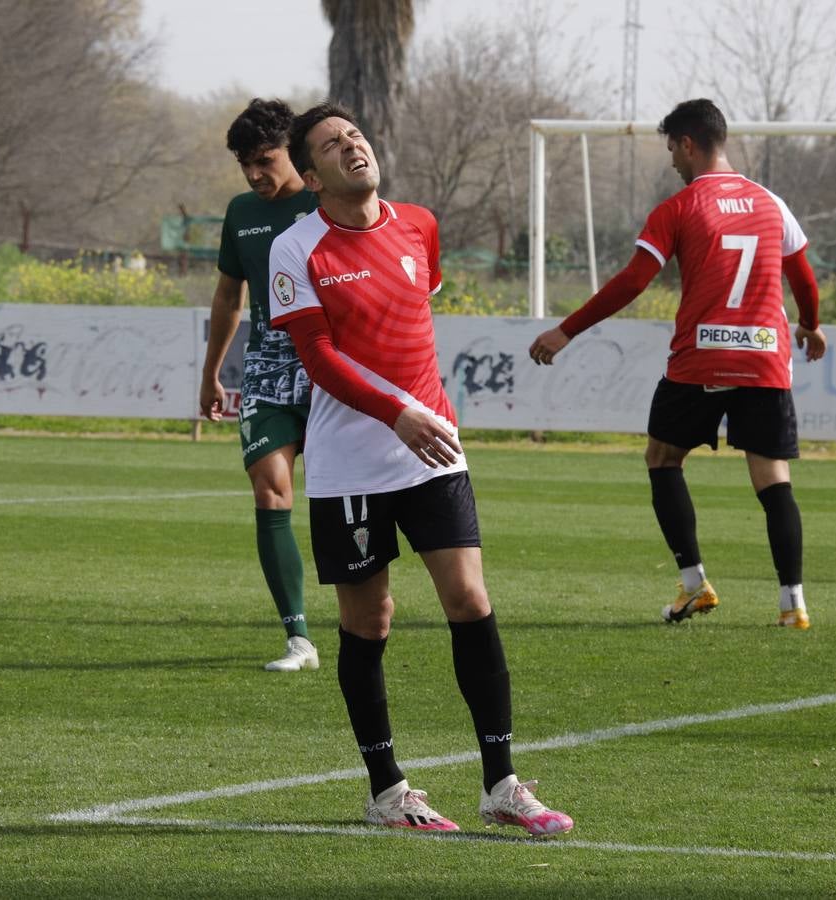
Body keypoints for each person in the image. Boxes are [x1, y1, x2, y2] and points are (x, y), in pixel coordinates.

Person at [268, 101, 574, 835]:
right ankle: (386, 791)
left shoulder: (419, 224)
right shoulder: (296, 248)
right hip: (349, 465)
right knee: (369, 620)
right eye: (332, 146)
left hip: (433, 449)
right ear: (311, 176)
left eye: (355, 136)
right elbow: (321, 359)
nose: (352, 148)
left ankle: (501, 783)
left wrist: (418, 414)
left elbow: (411, 317)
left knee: (469, 598)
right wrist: (394, 412)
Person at [529, 98, 827, 630]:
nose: (671, 161)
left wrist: (565, 329)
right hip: (764, 357)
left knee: (663, 458)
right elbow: (803, 278)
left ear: (688, 143)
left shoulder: (680, 207)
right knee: (772, 480)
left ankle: (695, 585)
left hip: (701, 357)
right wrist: (810, 323)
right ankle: (793, 604)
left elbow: (633, 281)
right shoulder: (772, 204)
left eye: (671, 148)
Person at [200, 99, 321, 672]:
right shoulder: (241, 212)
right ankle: (298, 638)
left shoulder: (328, 202)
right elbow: (229, 297)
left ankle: (371, 612)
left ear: (291, 152)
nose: (254, 174)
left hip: (330, 362)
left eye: (265, 160)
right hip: (269, 363)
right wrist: (213, 374)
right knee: (270, 489)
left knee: (349, 496)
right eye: (245, 164)